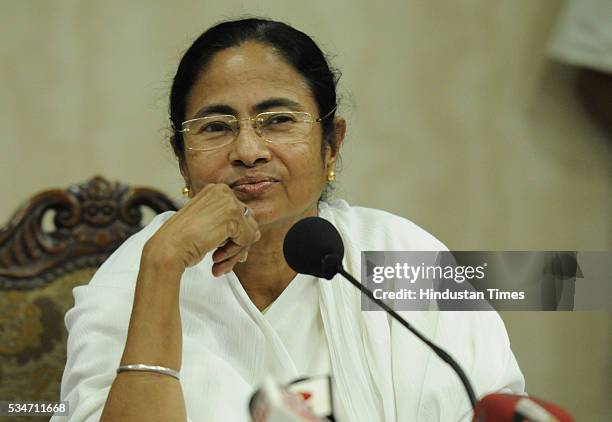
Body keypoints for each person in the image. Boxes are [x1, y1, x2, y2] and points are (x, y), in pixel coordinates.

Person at [52, 18, 524, 422]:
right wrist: (160, 269)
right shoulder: (141, 269)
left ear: (332, 144)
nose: (249, 151)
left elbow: (488, 404)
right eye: (216, 127)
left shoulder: (404, 255)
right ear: (182, 160)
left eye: (277, 120)